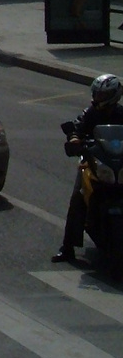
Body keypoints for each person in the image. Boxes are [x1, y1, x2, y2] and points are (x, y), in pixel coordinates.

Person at [52, 73, 123, 263]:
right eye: (97, 94)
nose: (98, 98)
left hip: (118, 161)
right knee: (78, 196)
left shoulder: (121, 113)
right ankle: (67, 248)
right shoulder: (90, 113)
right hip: (95, 162)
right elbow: (77, 127)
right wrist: (75, 139)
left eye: (102, 94)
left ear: (114, 95)